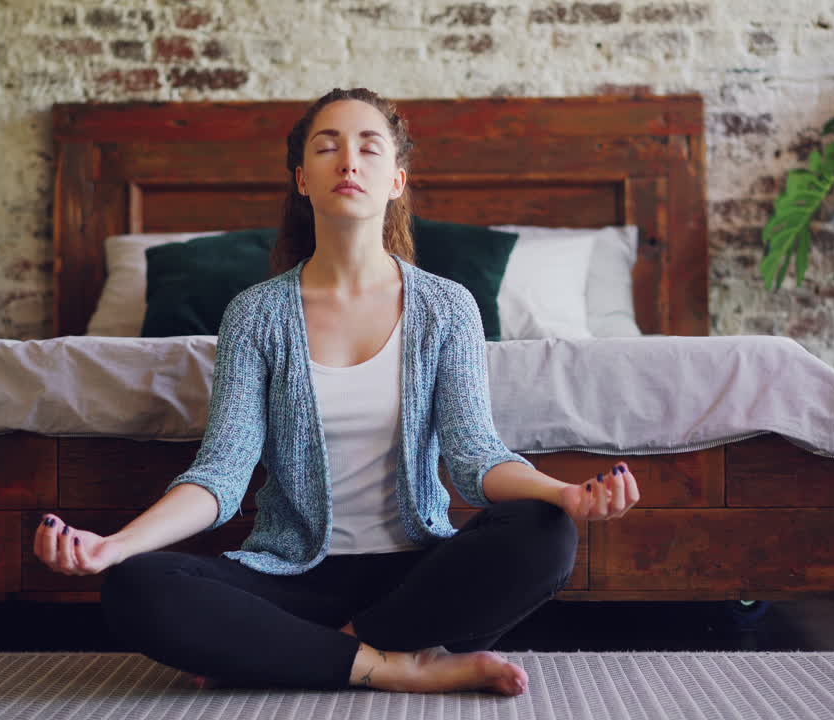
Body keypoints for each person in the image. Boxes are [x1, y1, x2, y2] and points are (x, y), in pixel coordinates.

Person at [33, 88, 641, 696]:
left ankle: (310, 656)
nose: (348, 161)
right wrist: (114, 547)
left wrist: (564, 494)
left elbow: (476, 456)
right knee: (137, 587)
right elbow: (221, 475)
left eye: (368, 148)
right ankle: (394, 665)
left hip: (415, 579)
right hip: (292, 578)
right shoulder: (255, 315)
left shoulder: (448, 308)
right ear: (303, 179)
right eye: (328, 147)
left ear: (396, 180)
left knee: (546, 531)